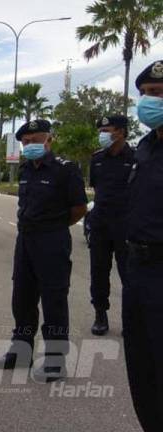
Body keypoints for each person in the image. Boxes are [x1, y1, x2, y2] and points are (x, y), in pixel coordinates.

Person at [0, 119, 87, 383]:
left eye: (35, 140)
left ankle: (56, 360)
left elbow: (79, 208)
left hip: (52, 241)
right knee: (22, 298)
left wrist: (54, 227)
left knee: (54, 300)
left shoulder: (65, 170)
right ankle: (21, 350)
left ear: (49, 140)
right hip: (25, 241)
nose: (30, 145)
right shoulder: (26, 170)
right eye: (25, 141)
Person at [123, 60, 163, 432]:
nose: (151, 101)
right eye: (148, 94)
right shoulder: (146, 148)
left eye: (160, 93)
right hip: (138, 270)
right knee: (142, 368)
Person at [88, 115, 134, 335]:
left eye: (108, 129)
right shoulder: (96, 159)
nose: (103, 134)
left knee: (130, 275)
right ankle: (100, 315)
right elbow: (96, 188)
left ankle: (131, 319)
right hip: (100, 225)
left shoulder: (136, 158)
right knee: (99, 272)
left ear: (122, 131)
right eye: (101, 129)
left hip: (127, 225)